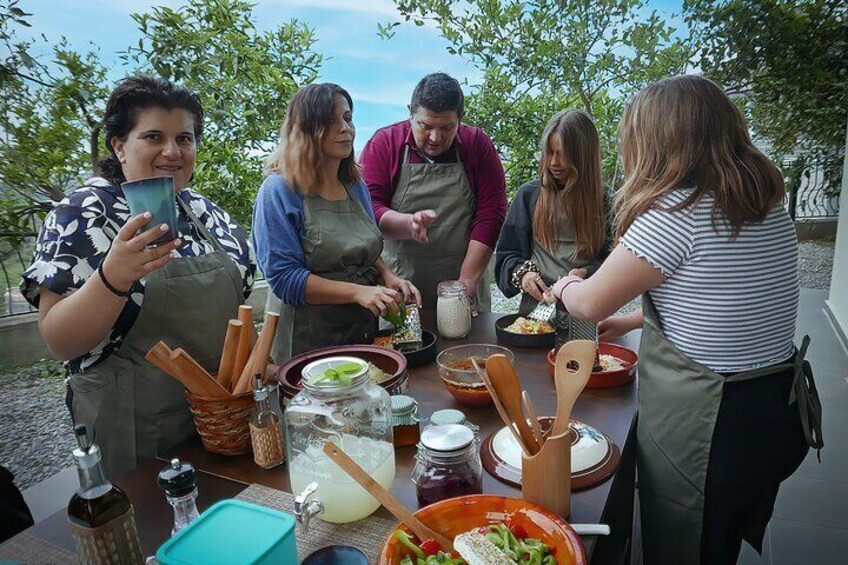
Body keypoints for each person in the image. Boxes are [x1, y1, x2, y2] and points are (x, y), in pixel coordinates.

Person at [550, 75, 822, 564]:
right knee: (719, 534)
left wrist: (565, 283)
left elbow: (589, 304)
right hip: (774, 406)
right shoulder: (765, 207)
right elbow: (721, 301)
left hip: (712, 422)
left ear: (659, 143)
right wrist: (635, 322)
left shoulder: (676, 215)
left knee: (687, 543)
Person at [22, 76, 256, 478]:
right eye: (153, 136)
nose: (172, 151)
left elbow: (240, 311)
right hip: (137, 443)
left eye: (184, 138)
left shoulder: (205, 212)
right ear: (119, 145)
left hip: (224, 426)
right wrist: (113, 276)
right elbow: (60, 340)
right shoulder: (84, 212)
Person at [253, 83, 420, 362]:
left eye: (347, 117)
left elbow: (364, 246)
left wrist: (388, 276)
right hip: (308, 342)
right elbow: (284, 280)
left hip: (361, 332)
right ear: (306, 129)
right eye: (331, 121)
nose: (345, 128)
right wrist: (358, 292)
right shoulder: (279, 190)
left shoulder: (355, 185)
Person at [360, 72, 507, 311]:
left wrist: (467, 281)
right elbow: (368, 208)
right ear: (410, 112)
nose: (435, 138)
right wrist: (408, 224)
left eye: (447, 127)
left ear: (461, 117)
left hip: (462, 279)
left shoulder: (477, 145)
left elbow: (491, 213)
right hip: (401, 284)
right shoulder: (384, 144)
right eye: (425, 126)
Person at [495, 109, 611, 315]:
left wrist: (587, 272)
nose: (553, 163)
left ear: (583, 157)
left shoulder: (606, 201)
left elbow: (616, 264)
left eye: (563, 155)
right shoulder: (530, 195)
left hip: (586, 309)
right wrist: (523, 275)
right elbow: (508, 256)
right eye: (549, 153)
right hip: (535, 309)